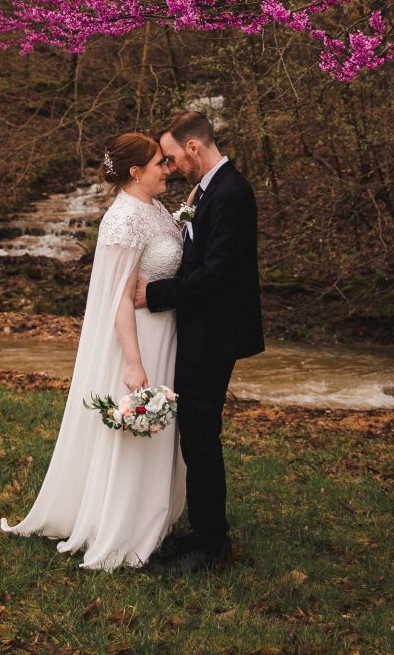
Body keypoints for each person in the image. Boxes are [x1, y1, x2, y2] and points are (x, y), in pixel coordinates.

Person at [0, 132, 186, 570]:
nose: (167, 169)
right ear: (136, 172)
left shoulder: (155, 208)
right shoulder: (122, 220)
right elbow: (117, 299)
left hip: (166, 332)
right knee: (139, 428)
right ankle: (122, 524)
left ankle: (153, 517)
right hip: (138, 337)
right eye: (161, 163)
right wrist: (134, 363)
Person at [134, 110, 264, 573]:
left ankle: (211, 547)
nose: (169, 167)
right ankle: (204, 533)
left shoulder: (231, 193)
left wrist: (152, 295)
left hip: (215, 332)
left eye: (171, 157)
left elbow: (215, 276)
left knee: (202, 436)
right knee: (196, 434)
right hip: (202, 329)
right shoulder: (209, 190)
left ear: (193, 147)